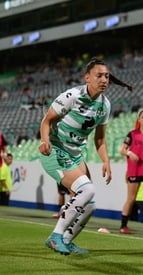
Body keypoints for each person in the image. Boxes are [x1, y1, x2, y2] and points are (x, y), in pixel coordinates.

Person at [38, 57, 132, 255]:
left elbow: (100, 140)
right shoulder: (72, 95)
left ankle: (66, 239)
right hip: (55, 149)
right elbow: (46, 120)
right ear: (87, 78)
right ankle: (55, 236)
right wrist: (44, 141)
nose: (104, 80)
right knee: (87, 190)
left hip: (76, 154)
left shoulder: (105, 105)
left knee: (90, 204)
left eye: (106, 76)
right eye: (99, 76)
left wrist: (106, 161)